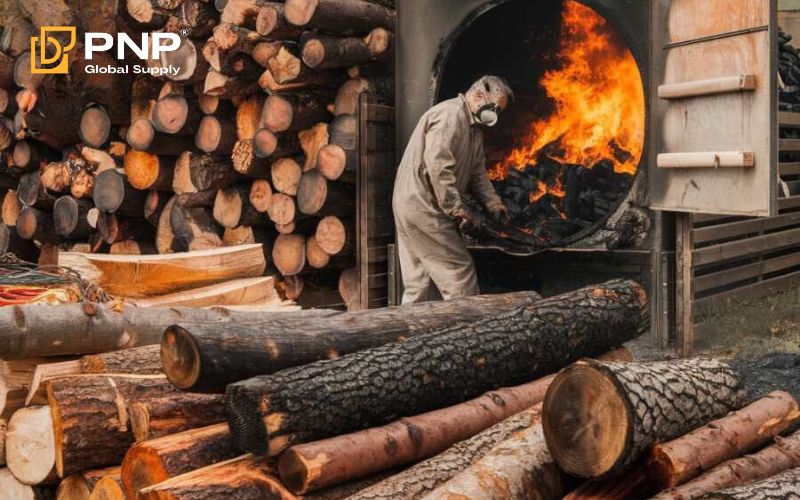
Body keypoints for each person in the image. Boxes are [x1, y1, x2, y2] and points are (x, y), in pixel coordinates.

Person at [392, 75, 513, 304]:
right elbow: (438, 165)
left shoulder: (474, 130)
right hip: (423, 204)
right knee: (460, 272)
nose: (495, 115)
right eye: (495, 108)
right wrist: (456, 208)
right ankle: (466, 333)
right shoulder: (450, 115)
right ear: (479, 95)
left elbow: (478, 175)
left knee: (420, 283)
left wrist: (494, 204)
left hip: (413, 203)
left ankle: (411, 337)